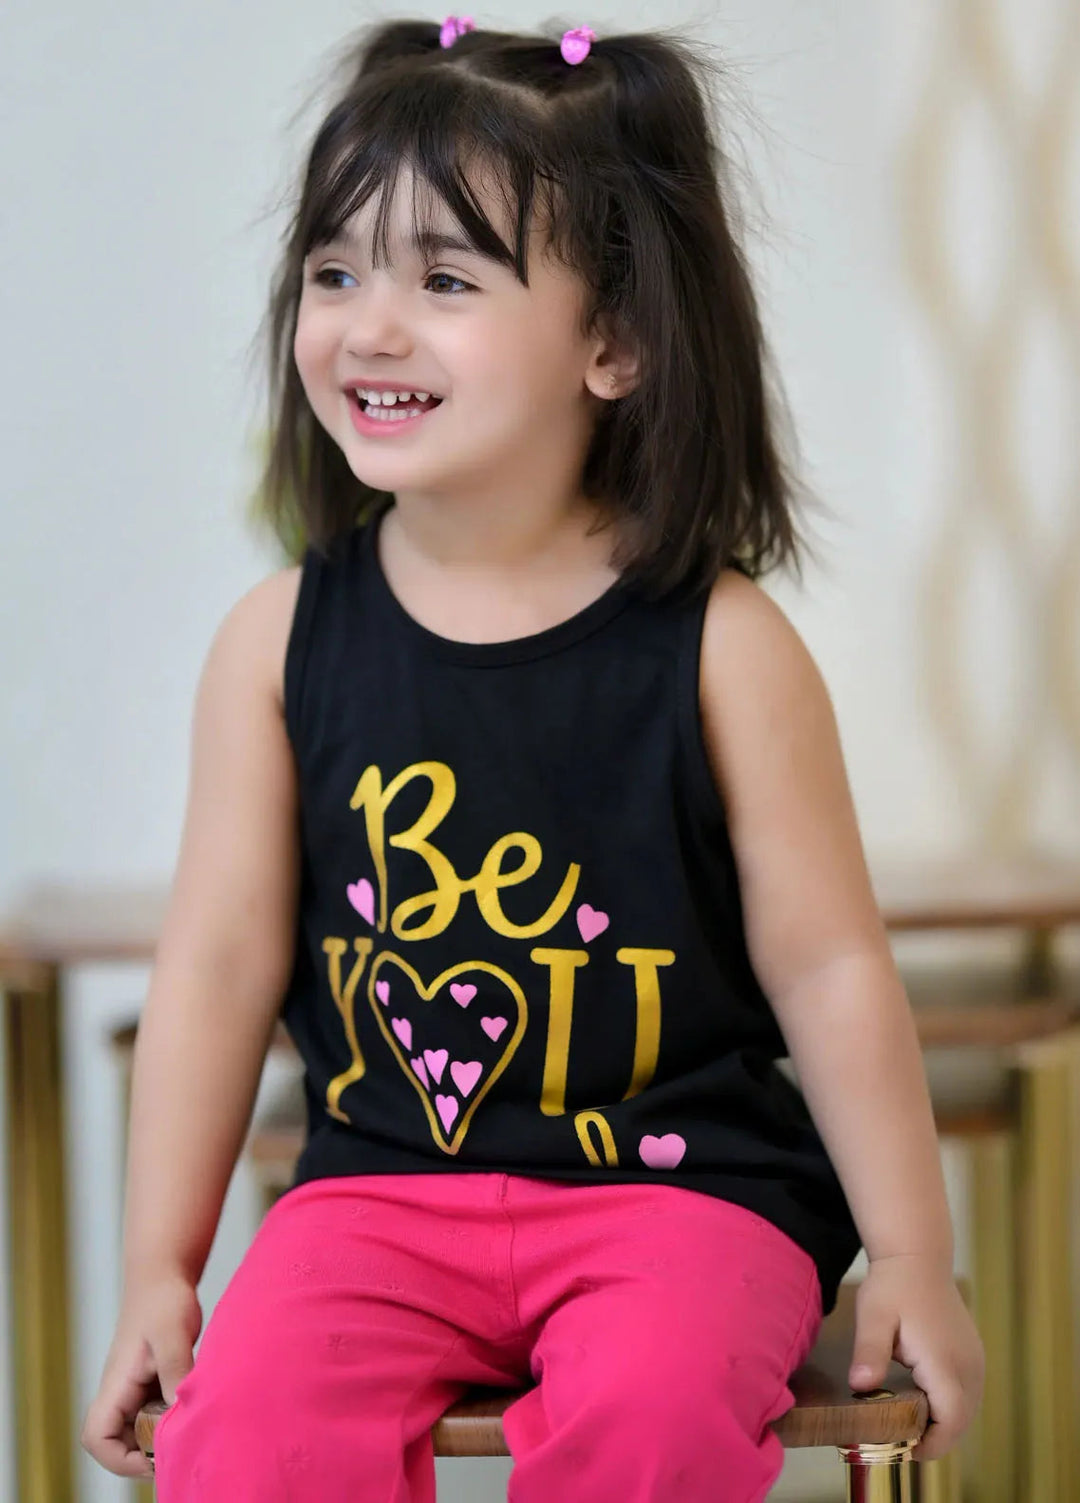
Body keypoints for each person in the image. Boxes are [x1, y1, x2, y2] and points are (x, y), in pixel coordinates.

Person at [81, 15, 984, 1501]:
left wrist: (912, 1255)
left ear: (613, 342)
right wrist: (156, 1272)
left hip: (684, 1198)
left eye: (444, 280)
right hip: (374, 1202)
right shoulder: (276, 644)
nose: (370, 325)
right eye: (334, 272)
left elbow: (830, 968)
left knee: (656, 1408)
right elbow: (220, 966)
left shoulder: (726, 645)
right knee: (245, 1435)